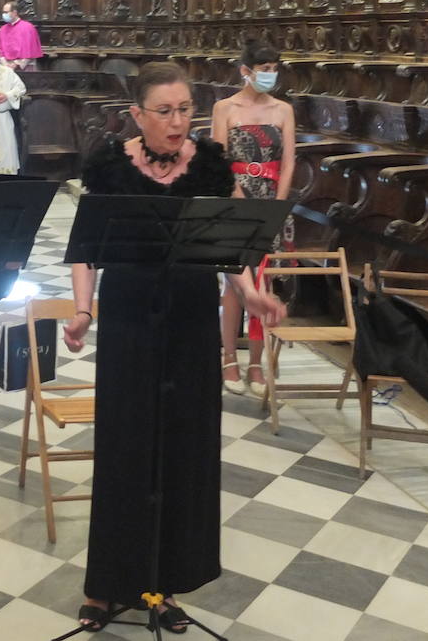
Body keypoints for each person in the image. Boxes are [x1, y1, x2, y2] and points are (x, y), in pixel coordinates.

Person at [65, 62, 285, 633]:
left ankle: (161, 582)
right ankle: (106, 586)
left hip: (190, 317)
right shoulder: (111, 164)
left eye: (186, 109)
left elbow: (232, 248)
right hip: (130, 317)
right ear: (137, 114)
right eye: (164, 111)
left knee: (182, 447)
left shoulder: (212, 166)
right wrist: (83, 310)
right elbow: (87, 248)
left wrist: (252, 297)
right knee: (126, 446)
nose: (178, 121)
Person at [212, 40, 296, 399]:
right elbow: (218, 157)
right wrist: (237, 196)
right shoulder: (224, 107)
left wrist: (278, 204)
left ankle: (257, 363)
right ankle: (229, 357)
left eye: (274, 67)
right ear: (245, 71)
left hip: (271, 199)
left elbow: (290, 160)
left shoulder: (283, 110)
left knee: (265, 281)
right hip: (236, 199)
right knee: (234, 284)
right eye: (263, 69)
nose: (270, 74)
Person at [0, 1, 43, 71]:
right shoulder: (2, 29)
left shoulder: (28, 27)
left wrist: (17, 64)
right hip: (6, 67)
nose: (4, 15)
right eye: (3, 12)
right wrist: (5, 64)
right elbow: (0, 50)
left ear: (14, 12)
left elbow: (31, 49)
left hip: (24, 67)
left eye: (6, 12)